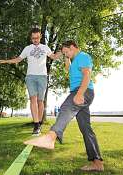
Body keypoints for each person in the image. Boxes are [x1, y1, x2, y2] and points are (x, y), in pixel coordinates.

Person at [24, 40, 104, 172]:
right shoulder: (73, 61)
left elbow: (87, 75)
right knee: (86, 129)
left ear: (73, 47)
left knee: (66, 108)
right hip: (79, 92)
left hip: (82, 91)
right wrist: (66, 58)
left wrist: (79, 94)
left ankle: (51, 136)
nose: (66, 54)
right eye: (64, 53)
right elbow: (68, 69)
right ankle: (97, 162)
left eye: (67, 51)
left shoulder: (83, 56)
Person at [0, 28, 62, 136]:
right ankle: (36, 125)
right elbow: (18, 59)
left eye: (37, 38)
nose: (35, 40)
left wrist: (62, 52)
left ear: (40, 36)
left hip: (42, 77)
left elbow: (53, 57)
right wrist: (6, 61)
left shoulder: (45, 47)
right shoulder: (27, 48)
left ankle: (39, 123)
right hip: (30, 77)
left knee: (40, 101)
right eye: (33, 38)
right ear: (31, 38)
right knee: (33, 99)